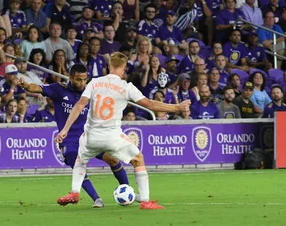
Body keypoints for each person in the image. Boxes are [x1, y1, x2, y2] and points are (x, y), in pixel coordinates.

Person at [55, 52, 190, 209]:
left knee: (80, 159)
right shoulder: (126, 87)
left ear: (109, 65)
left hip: (90, 136)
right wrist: (177, 107)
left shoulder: (94, 83)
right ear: (124, 68)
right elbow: (150, 105)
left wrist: (65, 129)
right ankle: (146, 201)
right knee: (138, 159)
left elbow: (79, 105)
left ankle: (75, 192)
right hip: (112, 136)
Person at [19, 63, 145, 208]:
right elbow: (38, 88)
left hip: (91, 136)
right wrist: (27, 86)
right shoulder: (59, 90)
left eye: (85, 79)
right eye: (79, 79)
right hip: (70, 140)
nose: (82, 83)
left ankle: (128, 191)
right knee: (78, 165)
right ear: (70, 78)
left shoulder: (91, 90)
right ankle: (97, 199)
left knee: (113, 160)